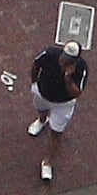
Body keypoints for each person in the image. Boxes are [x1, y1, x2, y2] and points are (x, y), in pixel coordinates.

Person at [24, 36, 87, 177]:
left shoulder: (81, 68)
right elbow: (36, 64)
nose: (63, 61)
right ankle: (41, 120)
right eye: (64, 58)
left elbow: (76, 93)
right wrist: (34, 83)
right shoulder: (50, 54)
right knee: (40, 109)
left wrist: (68, 78)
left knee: (56, 132)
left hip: (63, 104)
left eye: (68, 61)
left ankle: (47, 162)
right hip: (42, 94)